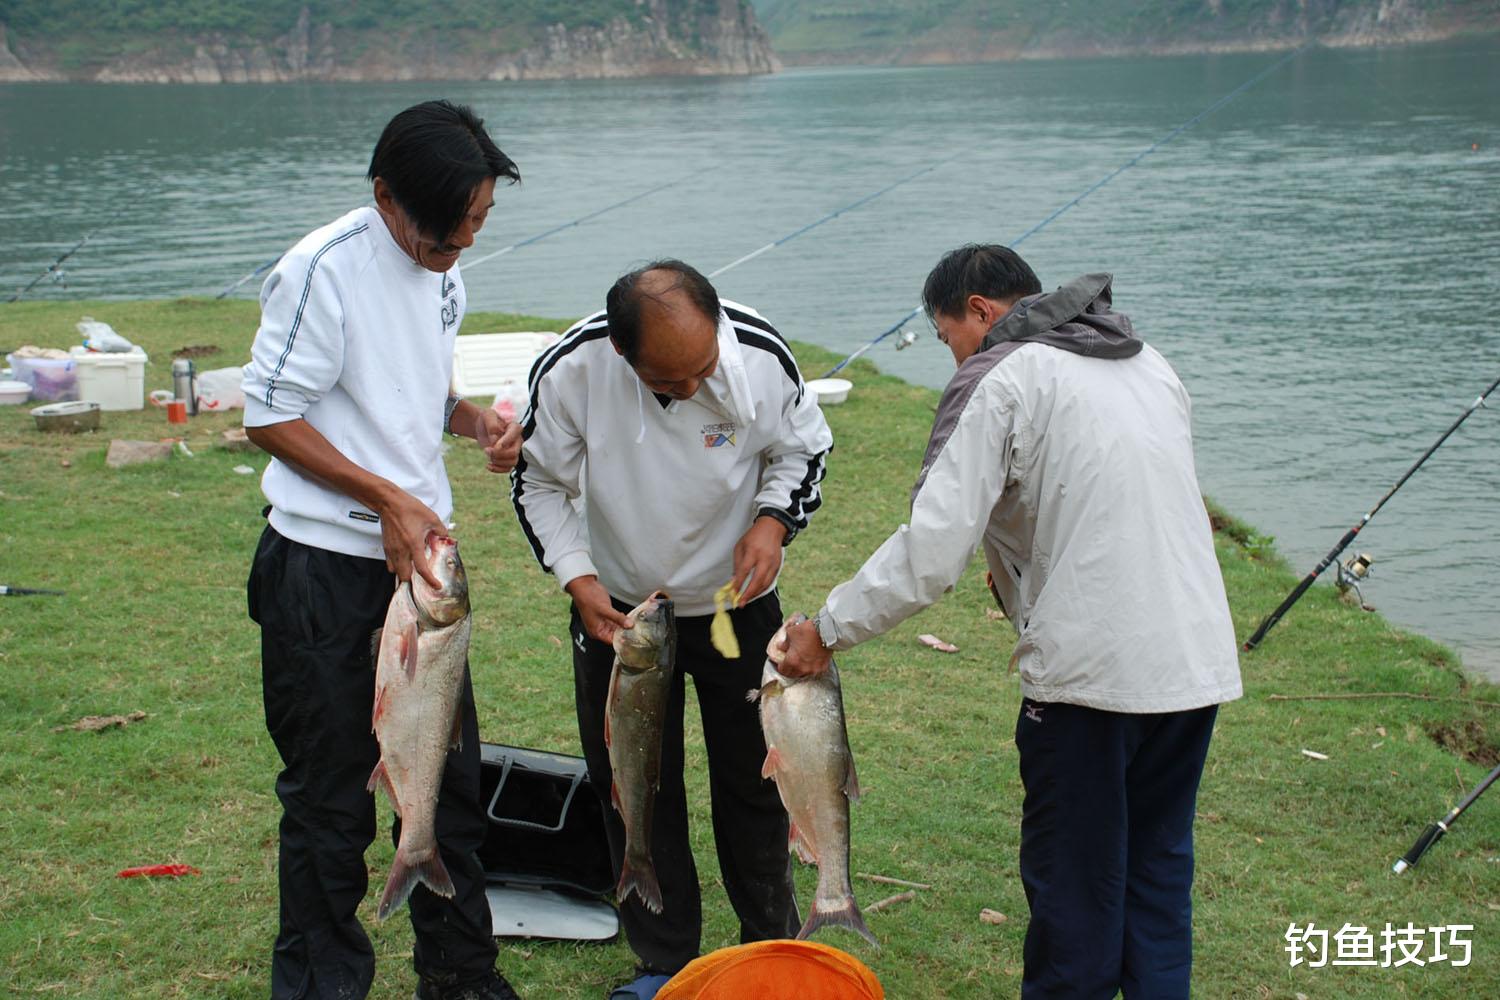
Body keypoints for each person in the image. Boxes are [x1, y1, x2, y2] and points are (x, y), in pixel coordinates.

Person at [777, 245, 1243, 999]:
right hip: (1193, 666)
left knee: (1076, 891)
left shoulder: (1001, 375)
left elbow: (931, 552)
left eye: (945, 336)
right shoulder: (1146, 360)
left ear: (982, 313)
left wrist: (826, 629)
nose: (951, 356)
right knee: (1157, 878)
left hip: (1092, 682)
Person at [242, 100, 525, 1000]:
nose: (463, 247)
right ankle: (323, 987)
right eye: (449, 233)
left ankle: (460, 978)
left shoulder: (442, 275)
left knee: (448, 786)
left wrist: (473, 420)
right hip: (323, 571)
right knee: (330, 801)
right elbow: (270, 414)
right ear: (385, 198)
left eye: (479, 224)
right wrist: (386, 501)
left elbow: (412, 394)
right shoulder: (321, 270)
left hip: (423, 572)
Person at [511, 260, 834, 999]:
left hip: (733, 609)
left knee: (755, 781)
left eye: (701, 371)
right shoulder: (572, 369)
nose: (690, 390)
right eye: (669, 382)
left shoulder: (758, 354)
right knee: (633, 786)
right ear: (624, 355)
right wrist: (578, 579)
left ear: (717, 327)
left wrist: (773, 521)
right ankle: (663, 961)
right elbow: (538, 481)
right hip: (623, 614)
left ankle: (770, 949)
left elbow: (802, 451)